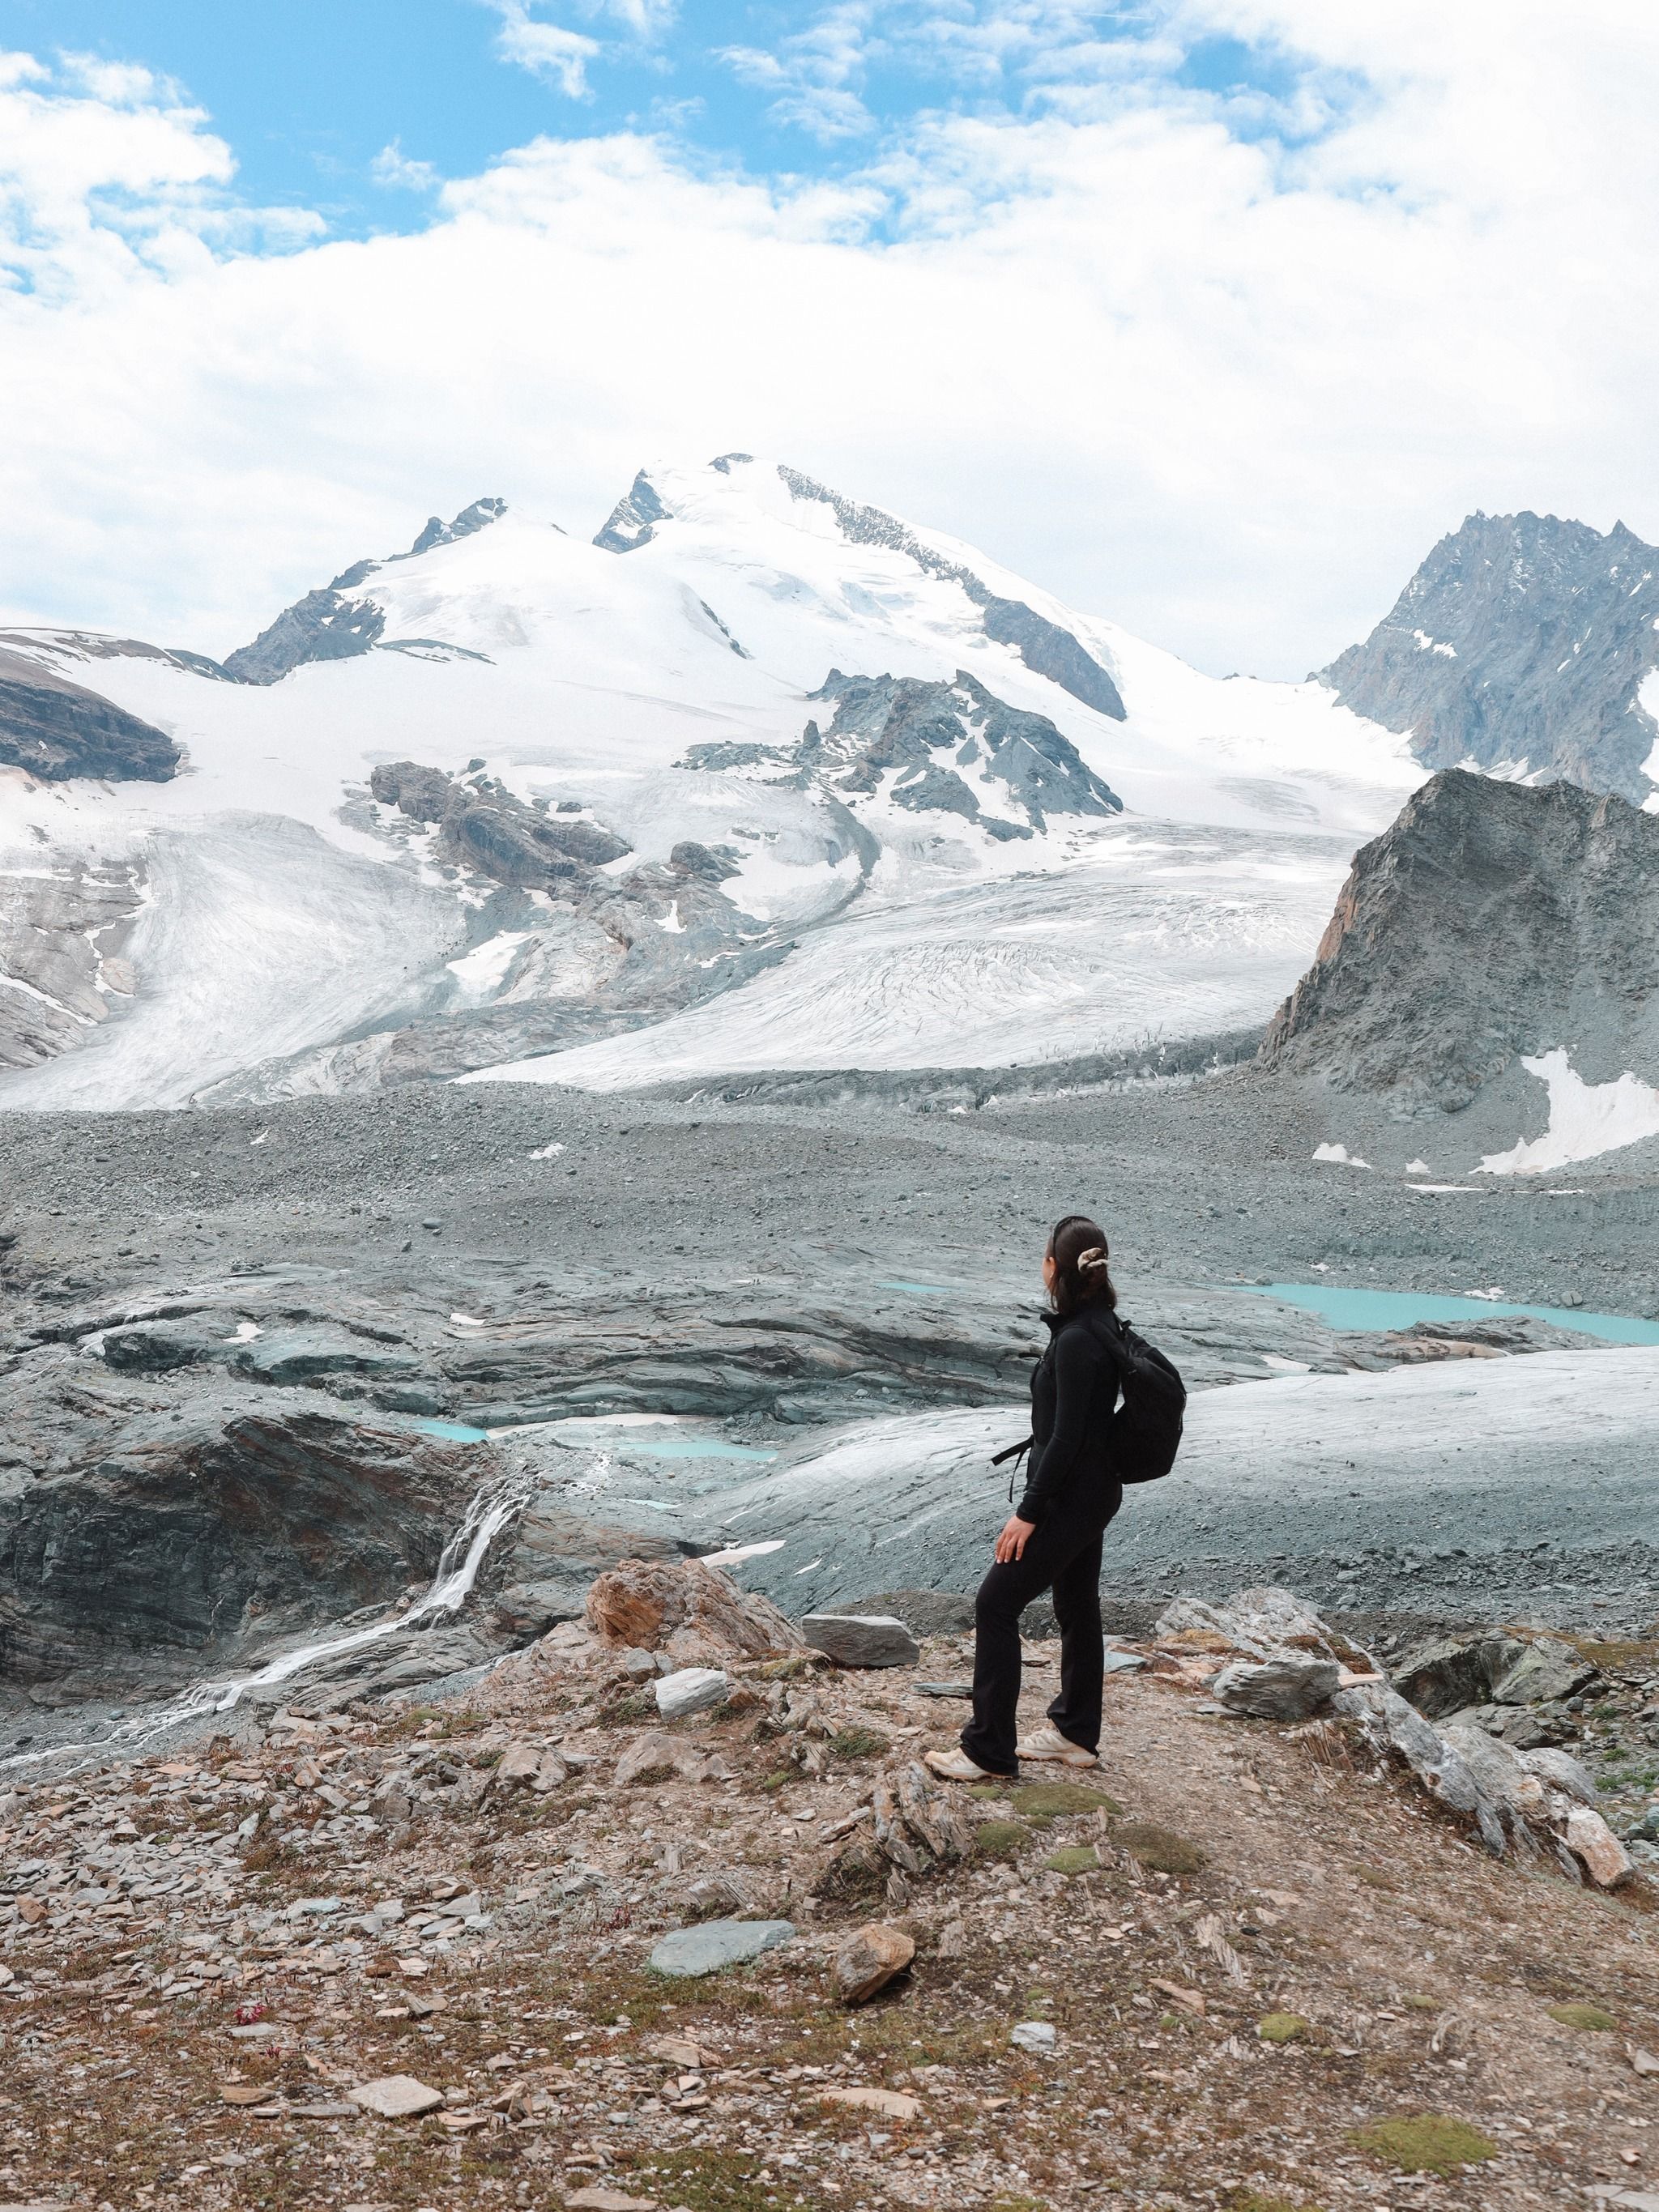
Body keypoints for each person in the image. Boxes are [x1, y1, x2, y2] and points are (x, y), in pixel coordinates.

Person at [925, 1214, 1124, 1782]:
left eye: (1043, 1256)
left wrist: (1028, 1512)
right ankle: (1075, 1733)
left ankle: (988, 1749)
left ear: (1055, 1268)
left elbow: (1066, 1437)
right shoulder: (1100, 1324)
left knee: (996, 1602)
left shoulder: (1078, 1340)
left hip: (1070, 1494)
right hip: (1095, 1490)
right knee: (1077, 1605)